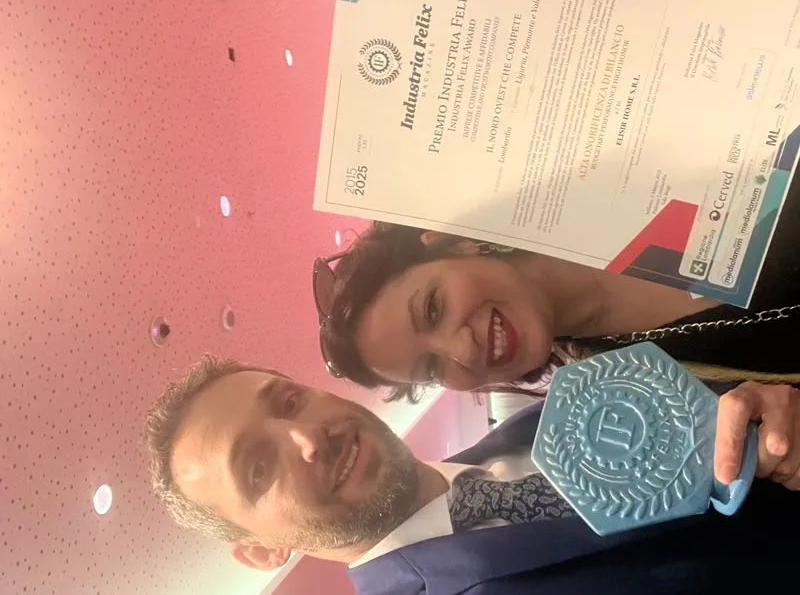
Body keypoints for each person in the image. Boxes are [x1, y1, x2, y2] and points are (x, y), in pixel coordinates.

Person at [144, 356, 800, 594]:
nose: (308, 438)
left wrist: (768, 426)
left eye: (289, 401)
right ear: (262, 550)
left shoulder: (534, 426)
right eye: (259, 468)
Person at [313, 202, 800, 403]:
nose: (462, 350)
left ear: (454, 244)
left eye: (433, 310)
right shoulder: (622, 394)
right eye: (433, 368)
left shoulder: (625, 187)